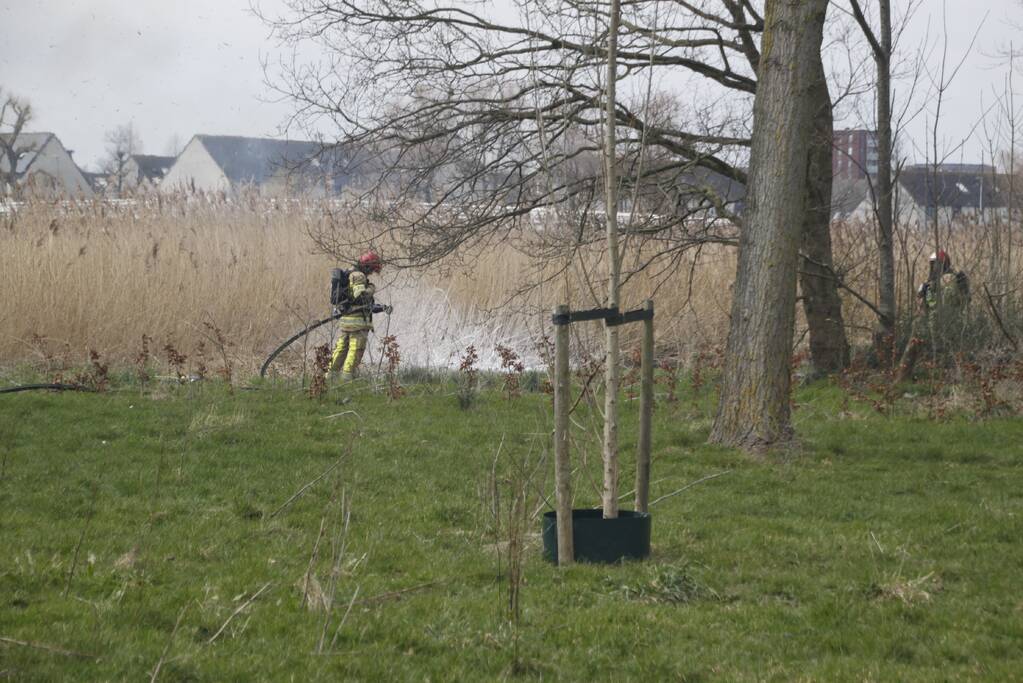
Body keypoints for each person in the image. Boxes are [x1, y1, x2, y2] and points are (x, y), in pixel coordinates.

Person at [897, 249, 970, 381]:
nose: (934, 268)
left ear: (943, 264)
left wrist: (929, 292)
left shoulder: (951, 279)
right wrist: (925, 292)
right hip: (931, 322)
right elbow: (927, 305)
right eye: (932, 264)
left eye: (936, 264)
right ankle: (903, 378)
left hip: (947, 322)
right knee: (914, 346)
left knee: (949, 352)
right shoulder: (931, 283)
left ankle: (954, 380)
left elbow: (947, 303)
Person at [327, 251, 392, 381]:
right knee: (355, 351)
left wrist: (381, 308)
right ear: (367, 266)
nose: (371, 273)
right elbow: (360, 299)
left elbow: (356, 302)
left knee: (340, 350)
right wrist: (371, 289)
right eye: (372, 270)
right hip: (357, 323)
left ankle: (329, 377)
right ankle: (346, 380)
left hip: (346, 322)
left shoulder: (348, 273)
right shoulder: (359, 276)